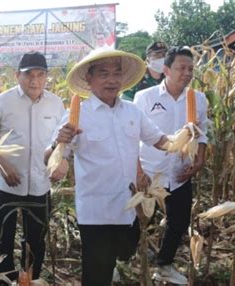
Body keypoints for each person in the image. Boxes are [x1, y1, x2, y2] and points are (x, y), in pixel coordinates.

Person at [44, 48, 171, 286]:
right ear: (89, 80)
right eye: (103, 74)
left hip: (128, 208)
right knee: (96, 275)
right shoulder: (77, 115)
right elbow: (50, 159)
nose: (112, 80)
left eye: (116, 73)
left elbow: (161, 141)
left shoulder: (133, 112)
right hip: (96, 211)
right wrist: (58, 143)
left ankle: (113, 265)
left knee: (123, 252)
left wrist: (188, 137)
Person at [0, 51, 64, 283]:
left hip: (40, 184)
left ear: (47, 77)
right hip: (5, 185)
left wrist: (60, 161)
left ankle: (30, 279)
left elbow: (61, 143)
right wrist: (3, 164)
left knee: (36, 240)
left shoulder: (56, 104)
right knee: (2, 239)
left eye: (40, 74)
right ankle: (4, 279)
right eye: (28, 75)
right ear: (17, 75)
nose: (34, 80)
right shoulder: (3, 102)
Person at [133, 46, 208, 285]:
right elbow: (132, 137)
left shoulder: (198, 98)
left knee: (179, 221)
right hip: (149, 171)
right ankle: (120, 259)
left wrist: (200, 160)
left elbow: (202, 133)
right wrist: (138, 171)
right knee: (135, 221)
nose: (187, 73)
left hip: (179, 172)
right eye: (181, 68)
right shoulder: (145, 97)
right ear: (166, 70)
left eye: (190, 68)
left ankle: (164, 265)